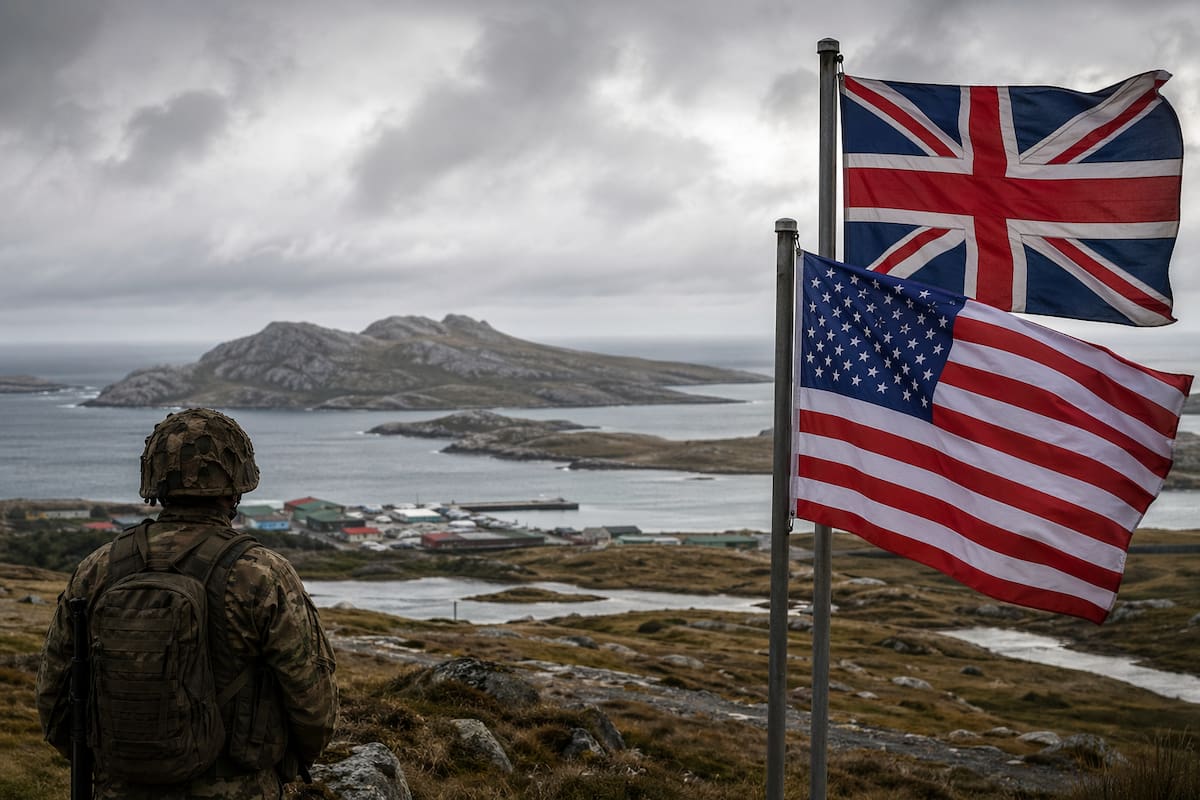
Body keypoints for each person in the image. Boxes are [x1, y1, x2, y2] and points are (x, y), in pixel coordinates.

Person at [36, 408, 339, 800]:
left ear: (154, 479)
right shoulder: (262, 572)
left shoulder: (97, 568)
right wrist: (283, 767)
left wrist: (117, 764)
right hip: (241, 789)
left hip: (120, 787)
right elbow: (313, 704)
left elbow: (54, 697)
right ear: (237, 484)